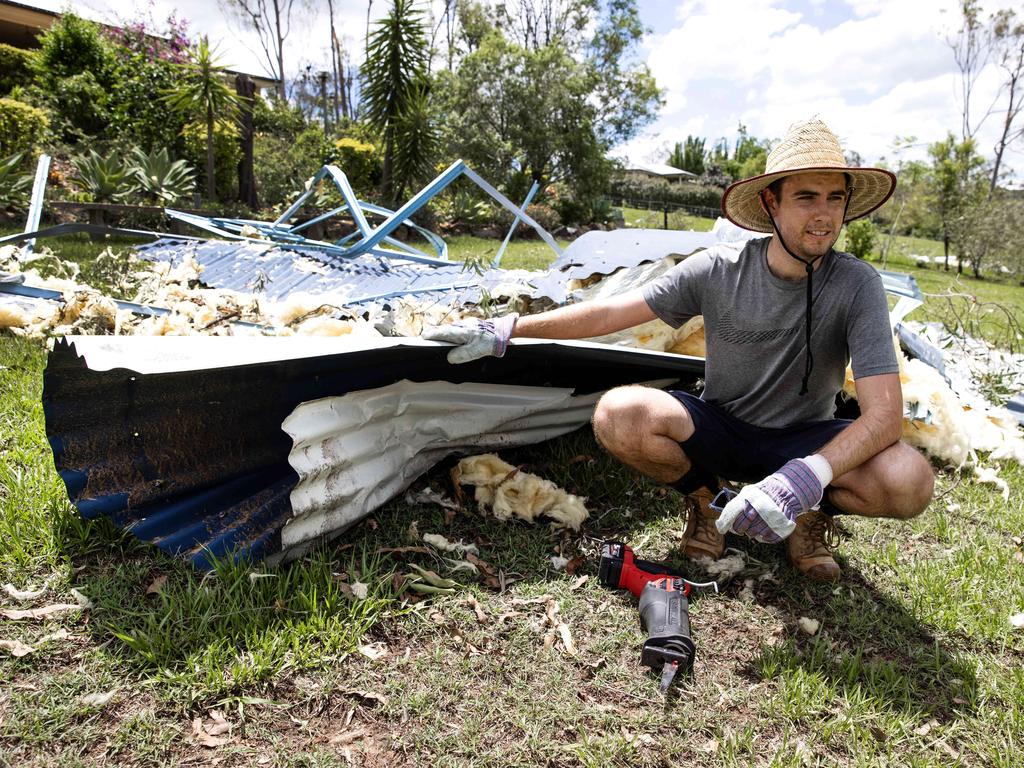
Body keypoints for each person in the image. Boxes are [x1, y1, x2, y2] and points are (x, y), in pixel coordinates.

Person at [424, 118, 934, 582]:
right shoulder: (717, 269)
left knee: (909, 478)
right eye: (806, 197)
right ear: (771, 204)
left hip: (805, 437)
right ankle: (708, 501)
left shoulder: (857, 284)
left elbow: (884, 416)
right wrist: (510, 327)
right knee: (620, 413)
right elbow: (610, 313)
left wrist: (808, 476)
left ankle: (807, 514)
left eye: (835, 198)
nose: (824, 215)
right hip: (723, 423)